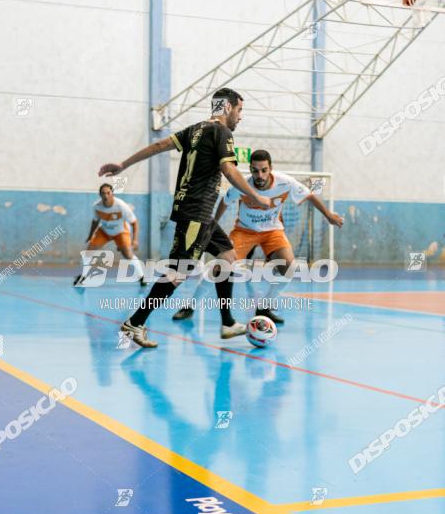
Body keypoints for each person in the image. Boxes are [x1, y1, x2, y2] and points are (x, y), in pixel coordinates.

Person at [98, 87, 269, 348]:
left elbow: (159, 145)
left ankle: (227, 322)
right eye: (240, 109)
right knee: (178, 273)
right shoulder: (221, 132)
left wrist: (123, 164)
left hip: (200, 214)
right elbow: (228, 169)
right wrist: (256, 196)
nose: (240, 116)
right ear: (227, 108)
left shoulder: (195, 130)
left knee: (228, 257)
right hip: (196, 213)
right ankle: (135, 322)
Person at [173, 149, 343, 324]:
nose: (259, 175)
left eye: (263, 170)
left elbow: (309, 195)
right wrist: (211, 226)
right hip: (244, 231)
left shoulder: (285, 183)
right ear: (251, 169)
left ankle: (264, 307)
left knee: (289, 267)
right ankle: (190, 306)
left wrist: (328, 214)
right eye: (255, 170)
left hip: (272, 232)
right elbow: (225, 201)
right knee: (221, 268)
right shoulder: (242, 185)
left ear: (270, 168)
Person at [74, 183, 145, 287]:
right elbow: (95, 221)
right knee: (89, 252)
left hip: (120, 232)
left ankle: (142, 277)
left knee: (128, 255)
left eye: (108, 193)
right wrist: (90, 235)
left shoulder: (121, 206)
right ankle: (83, 277)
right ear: (100, 195)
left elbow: (134, 222)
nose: (106, 195)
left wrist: (135, 240)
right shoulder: (97, 206)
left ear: (112, 194)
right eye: (103, 193)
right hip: (104, 231)